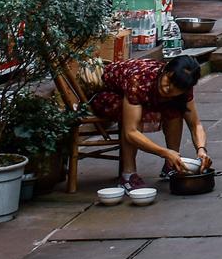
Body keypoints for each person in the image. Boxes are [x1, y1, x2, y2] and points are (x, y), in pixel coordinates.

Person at [89, 53, 209, 188]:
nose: (169, 88)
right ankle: (128, 175)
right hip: (108, 94)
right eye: (168, 81)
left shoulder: (185, 87)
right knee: (134, 119)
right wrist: (163, 152)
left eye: (177, 88)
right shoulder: (138, 80)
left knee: (175, 109)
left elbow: (195, 124)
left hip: (139, 97)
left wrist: (201, 150)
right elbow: (131, 132)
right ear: (165, 70)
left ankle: (172, 164)